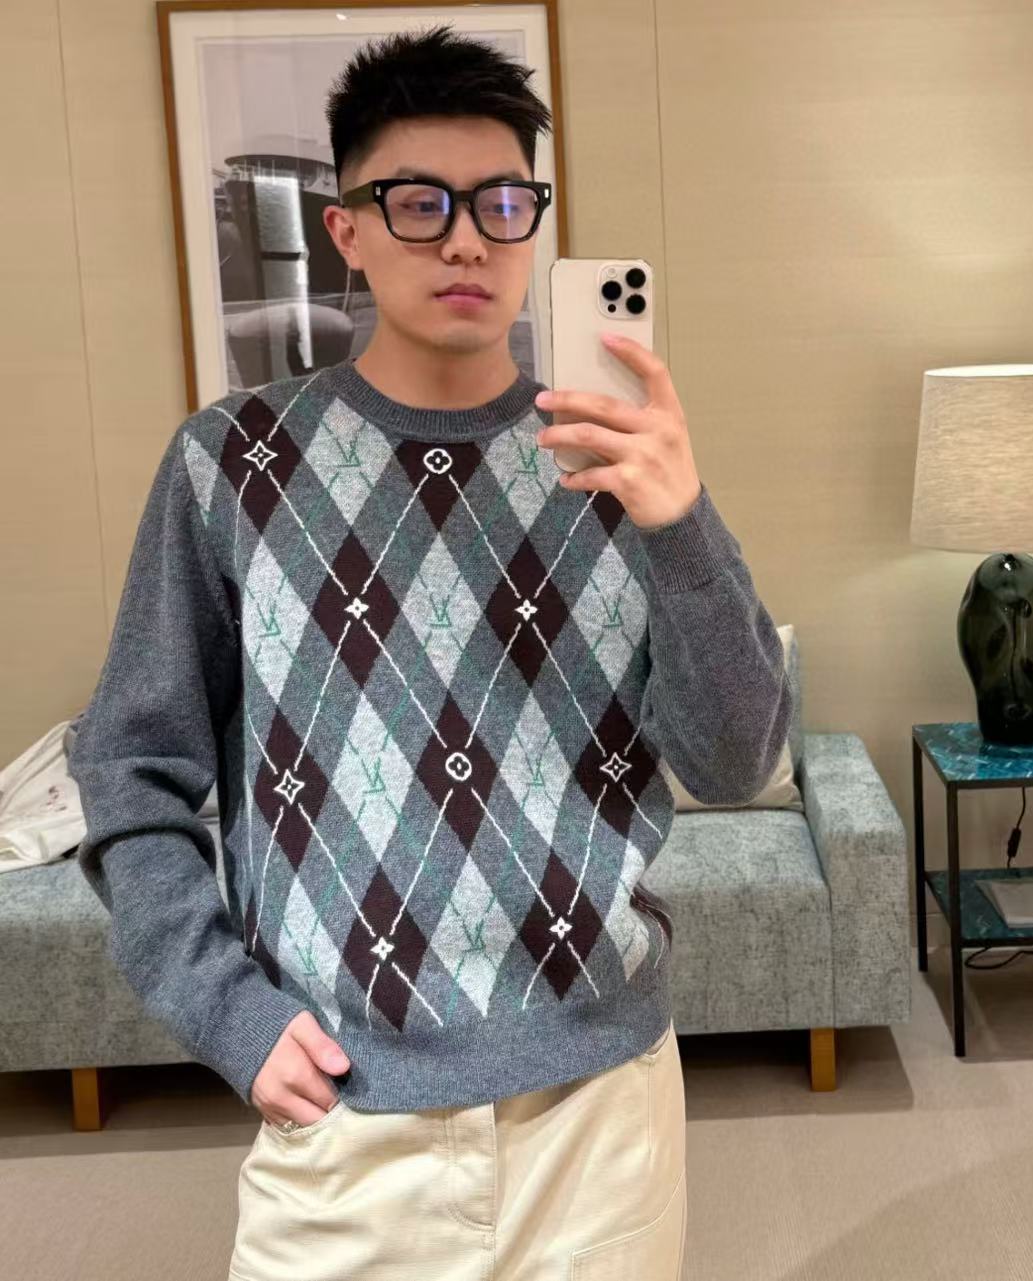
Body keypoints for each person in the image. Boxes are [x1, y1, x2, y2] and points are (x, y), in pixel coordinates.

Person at [68, 23, 792, 1280]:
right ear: (345, 230)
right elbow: (131, 766)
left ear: (535, 227)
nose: (467, 240)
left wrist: (679, 525)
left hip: (600, 1114)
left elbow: (735, 763)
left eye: (503, 203)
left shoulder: (620, 466)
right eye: (420, 202)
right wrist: (225, 1009)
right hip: (343, 1123)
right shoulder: (231, 465)